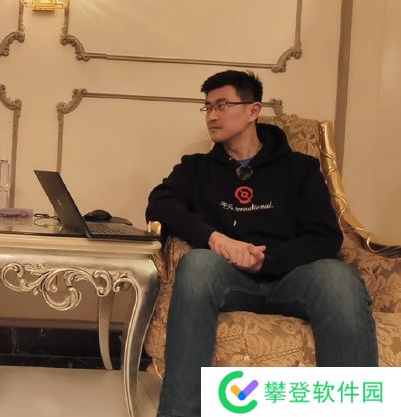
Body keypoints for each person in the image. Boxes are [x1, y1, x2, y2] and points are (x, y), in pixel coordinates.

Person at [146, 70, 378, 417]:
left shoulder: (300, 169)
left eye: (222, 105)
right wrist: (216, 239)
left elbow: (325, 236)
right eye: (208, 107)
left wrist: (265, 261)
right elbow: (160, 203)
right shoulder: (197, 169)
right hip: (230, 279)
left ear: (253, 110)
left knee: (338, 278)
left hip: (292, 279)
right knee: (198, 264)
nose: (212, 115)